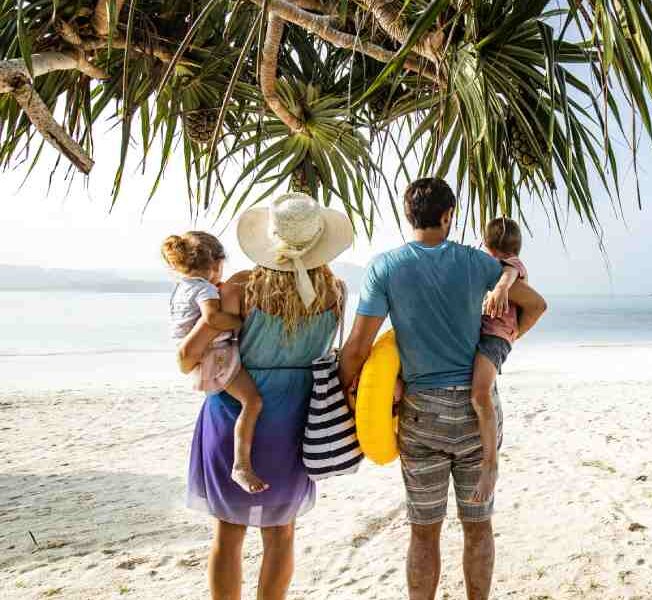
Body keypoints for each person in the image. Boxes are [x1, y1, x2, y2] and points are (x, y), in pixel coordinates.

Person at [339, 178, 548, 600]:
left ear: (407, 216)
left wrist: (342, 395)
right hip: (477, 409)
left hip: (422, 415)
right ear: (448, 216)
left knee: (423, 532)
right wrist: (504, 342)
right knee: (478, 525)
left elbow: (358, 347)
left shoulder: (385, 267)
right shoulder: (478, 263)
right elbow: (537, 304)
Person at [181, 192, 354, 600]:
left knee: (228, 529)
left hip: (236, 409)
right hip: (297, 416)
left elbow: (190, 357)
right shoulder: (337, 291)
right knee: (282, 531)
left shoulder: (241, 286)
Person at [163, 231, 268, 494]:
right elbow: (212, 319)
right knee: (252, 402)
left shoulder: (182, 287)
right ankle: (241, 464)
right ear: (215, 264)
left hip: (200, 356)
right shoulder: (207, 288)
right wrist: (240, 321)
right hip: (215, 355)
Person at [468, 217, 529, 504]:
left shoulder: (511, 268)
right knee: (479, 393)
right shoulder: (493, 267)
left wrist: (502, 288)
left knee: (480, 394)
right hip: (491, 334)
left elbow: (508, 274)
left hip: (495, 338)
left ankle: (490, 462)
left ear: (489, 247)